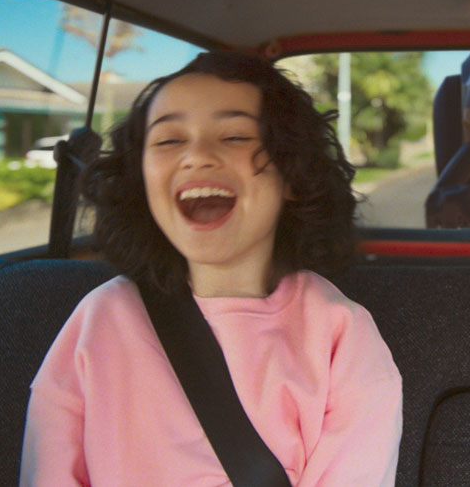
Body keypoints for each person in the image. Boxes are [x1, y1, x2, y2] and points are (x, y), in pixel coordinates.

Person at [20, 51, 403, 486]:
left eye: (235, 136)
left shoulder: (340, 332)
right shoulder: (99, 319)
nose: (197, 155)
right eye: (168, 141)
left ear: (293, 173)